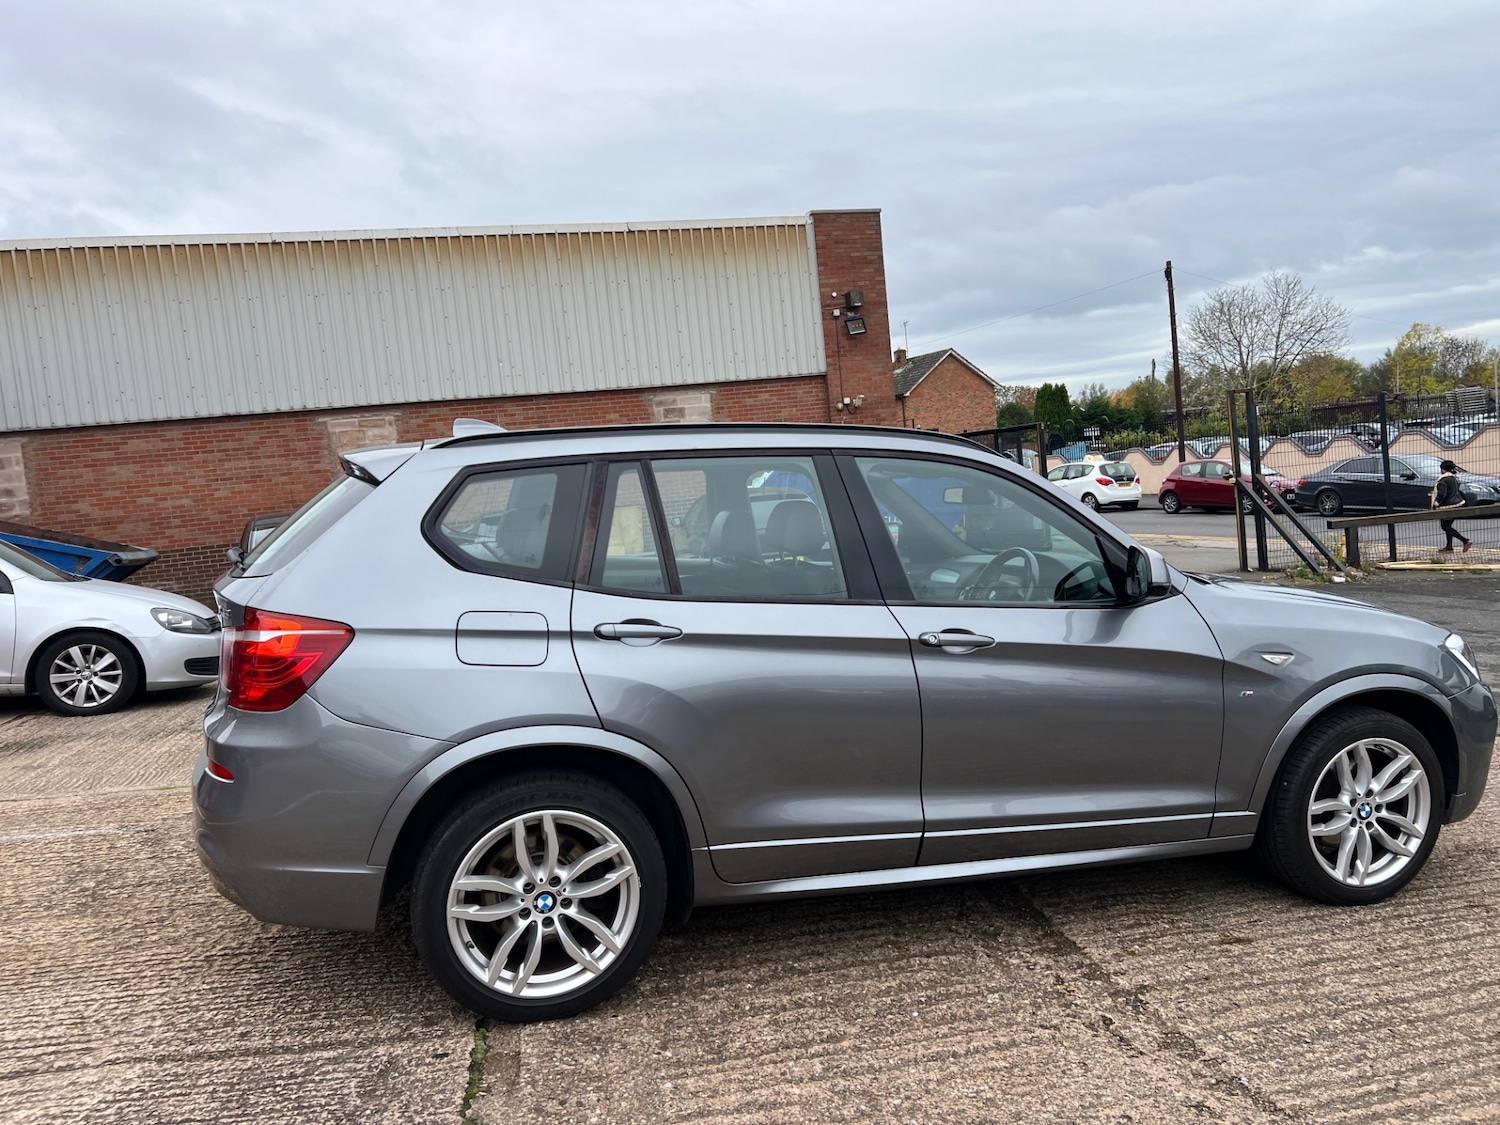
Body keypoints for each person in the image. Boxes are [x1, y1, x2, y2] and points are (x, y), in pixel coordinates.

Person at [1433, 459, 1472, 553]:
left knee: (1445, 526)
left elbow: (1442, 494)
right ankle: (1449, 547)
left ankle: (1465, 541)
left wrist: (1436, 503)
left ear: (1443, 469)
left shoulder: (1443, 480)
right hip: (1458, 503)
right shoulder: (1454, 478)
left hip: (1447, 506)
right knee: (1448, 525)